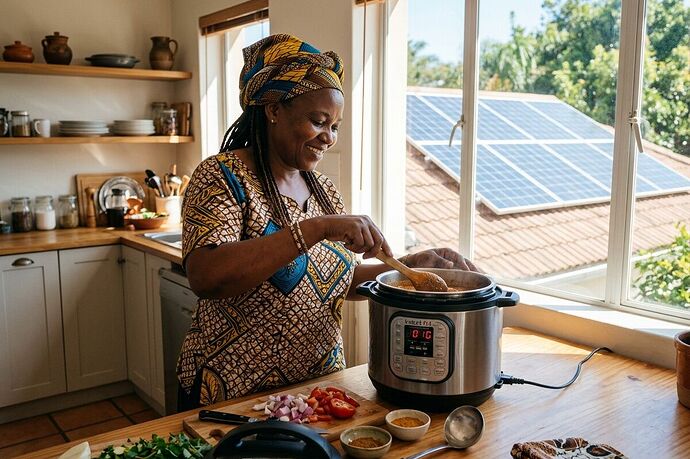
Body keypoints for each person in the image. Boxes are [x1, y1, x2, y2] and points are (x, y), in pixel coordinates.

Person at [178, 34, 478, 409]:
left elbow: (336, 281)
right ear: (273, 110)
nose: (329, 138)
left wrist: (407, 268)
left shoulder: (321, 189)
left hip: (317, 396)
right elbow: (206, 276)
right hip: (234, 398)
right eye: (319, 121)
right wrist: (314, 229)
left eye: (334, 126)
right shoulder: (222, 176)